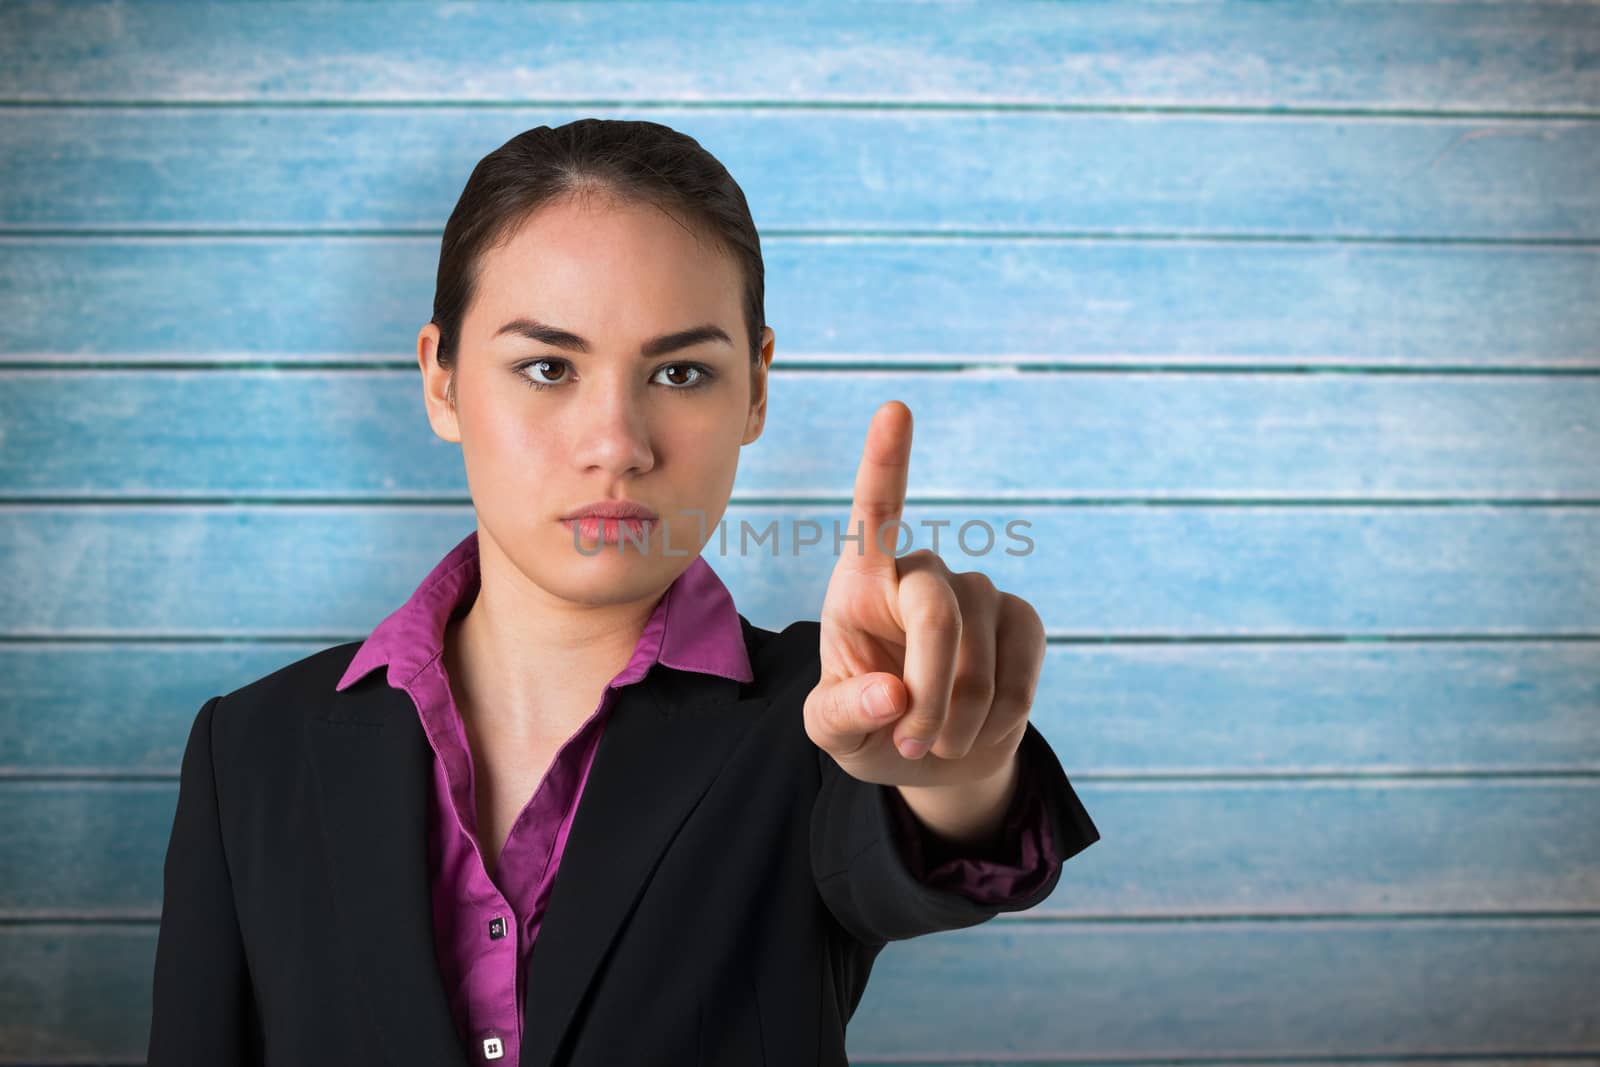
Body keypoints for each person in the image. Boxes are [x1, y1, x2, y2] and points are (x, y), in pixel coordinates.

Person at [146, 118, 1100, 1067]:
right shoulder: (250, 753)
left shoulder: (820, 714)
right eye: (547, 367)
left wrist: (955, 761)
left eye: (681, 372)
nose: (618, 442)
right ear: (441, 380)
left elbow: (927, 844)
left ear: (757, 388)